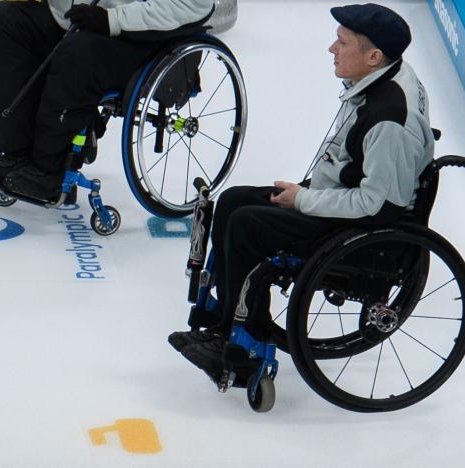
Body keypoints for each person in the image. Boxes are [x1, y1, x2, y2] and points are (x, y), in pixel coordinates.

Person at [169, 3, 431, 381]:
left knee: (246, 224)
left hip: (361, 226)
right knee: (232, 200)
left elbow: (377, 205)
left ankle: (242, 340)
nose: (331, 49)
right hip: (342, 191)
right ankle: (224, 314)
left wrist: (304, 199)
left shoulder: (390, 121)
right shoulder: (382, 78)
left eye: (342, 43)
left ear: (374, 56)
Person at [0, 0, 219, 202]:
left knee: (78, 55)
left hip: (136, 37)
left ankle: (49, 168)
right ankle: (16, 152)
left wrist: (112, 20)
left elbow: (194, 6)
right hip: (71, 18)